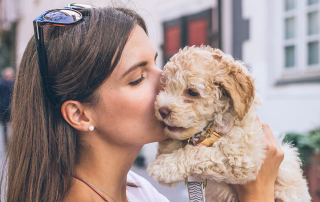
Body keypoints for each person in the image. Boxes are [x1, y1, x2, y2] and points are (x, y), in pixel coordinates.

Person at [1, 5, 284, 202]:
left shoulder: (137, 190)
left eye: (157, 64)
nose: (165, 82)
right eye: (137, 78)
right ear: (80, 114)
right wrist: (257, 194)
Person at [0, 67, 15, 150]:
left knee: (5, 126)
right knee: (14, 125)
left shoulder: (1, 84)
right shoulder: (14, 84)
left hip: (3, 108)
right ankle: (13, 141)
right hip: (12, 108)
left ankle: (6, 142)